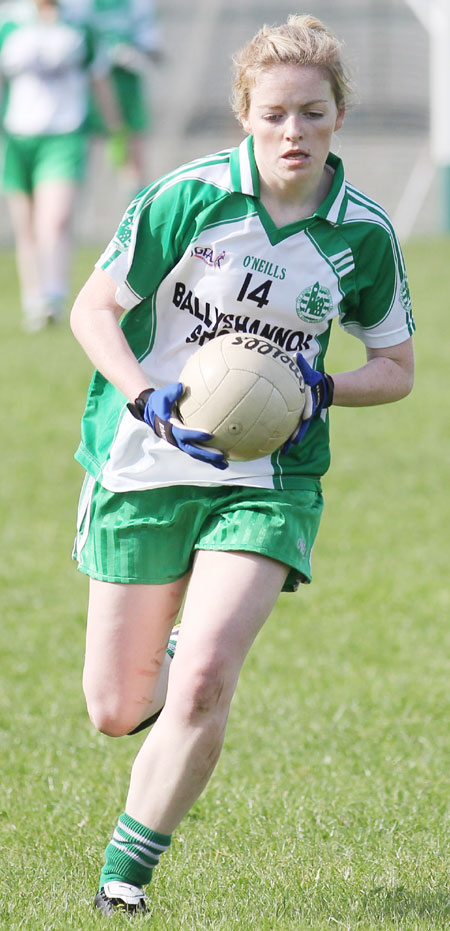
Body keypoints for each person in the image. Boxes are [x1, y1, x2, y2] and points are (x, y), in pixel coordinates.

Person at [70, 13, 415, 917]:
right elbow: (93, 310)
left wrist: (321, 391)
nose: (292, 132)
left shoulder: (363, 237)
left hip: (270, 478)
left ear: (340, 114)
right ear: (245, 117)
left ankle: (123, 879)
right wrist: (144, 391)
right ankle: (168, 663)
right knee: (114, 706)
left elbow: (398, 370)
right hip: (147, 460)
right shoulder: (189, 198)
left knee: (209, 671)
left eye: (311, 112)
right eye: (274, 115)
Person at [0, 0, 121, 331]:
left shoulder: (80, 25)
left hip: (65, 135)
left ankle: (53, 295)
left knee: (54, 219)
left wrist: (115, 130)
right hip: (17, 137)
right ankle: (34, 302)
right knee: (25, 224)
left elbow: (100, 79)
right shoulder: (10, 23)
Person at [61, 0, 163, 195]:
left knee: (130, 151)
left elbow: (151, 41)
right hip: (83, 86)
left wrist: (138, 54)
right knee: (79, 151)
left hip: (124, 84)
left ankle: (135, 206)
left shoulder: (135, 4)